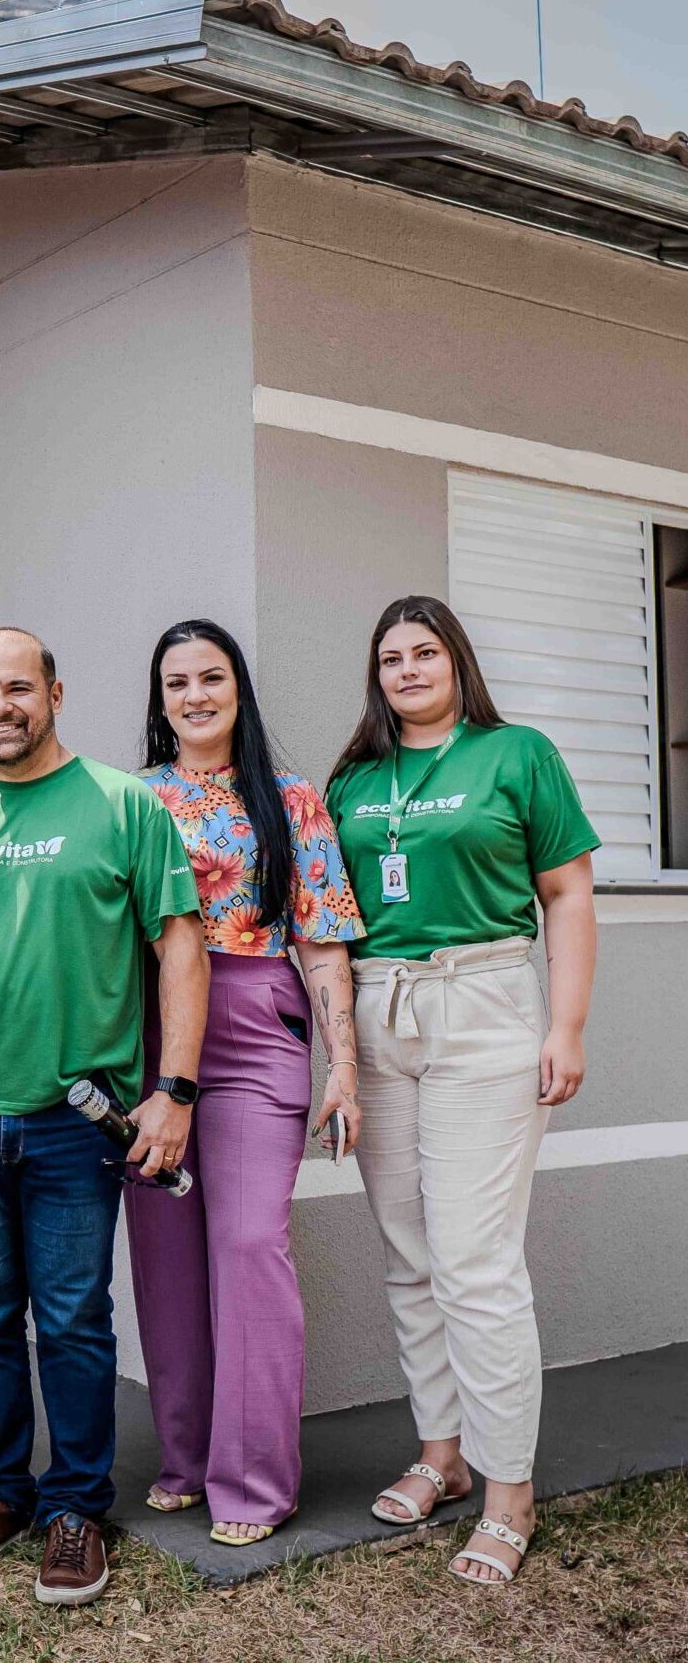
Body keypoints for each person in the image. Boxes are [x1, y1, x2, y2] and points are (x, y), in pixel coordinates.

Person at [0, 628, 207, 1607]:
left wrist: (176, 1089)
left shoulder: (122, 805)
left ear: (55, 692)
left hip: (78, 1118)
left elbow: (180, 946)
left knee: (70, 1320)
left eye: (17, 687)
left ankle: (74, 1508)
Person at [325, 595, 598, 1587]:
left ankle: (508, 1492)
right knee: (409, 1255)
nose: (406, 669)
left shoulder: (515, 754)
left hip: (483, 1000)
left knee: (477, 1262)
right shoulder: (355, 778)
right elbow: (325, 912)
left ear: (456, 661)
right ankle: (439, 1454)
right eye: (390, 656)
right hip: (375, 1008)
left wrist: (563, 1025)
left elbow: (567, 891)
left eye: (424, 652)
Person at [129, 619, 364, 1547]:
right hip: (151, 1035)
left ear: (237, 689)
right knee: (164, 1254)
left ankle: (255, 1478)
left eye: (211, 677)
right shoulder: (126, 798)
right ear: (159, 699)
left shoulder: (291, 798)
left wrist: (342, 1064)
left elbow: (323, 940)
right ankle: (184, 1459)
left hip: (259, 1026)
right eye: (176, 681)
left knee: (246, 1244)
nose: (194, 695)